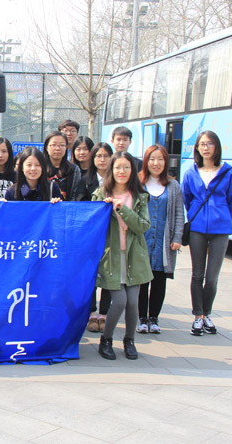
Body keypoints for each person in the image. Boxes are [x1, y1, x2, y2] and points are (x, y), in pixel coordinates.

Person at [92, 151, 152, 360]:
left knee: (133, 302)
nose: (122, 171)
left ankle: (129, 340)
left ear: (133, 170)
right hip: (111, 258)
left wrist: (123, 209)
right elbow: (92, 224)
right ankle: (106, 339)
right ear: (112, 169)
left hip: (134, 257)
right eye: (118, 167)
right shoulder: (101, 193)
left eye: (127, 167)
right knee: (119, 301)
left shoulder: (139, 196)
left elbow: (143, 225)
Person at [182, 130, 232, 336]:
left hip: (220, 230)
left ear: (217, 147)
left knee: (212, 276)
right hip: (197, 229)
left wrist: (221, 217)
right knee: (197, 274)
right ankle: (198, 316)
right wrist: (196, 217)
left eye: (209, 144)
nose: (205, 148)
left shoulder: (228, 173)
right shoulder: (191, 173)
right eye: (202, 144)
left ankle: (207, 313)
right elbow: (187, 199)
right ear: (197, 148)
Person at [136, 145, 184, 334]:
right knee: (141, 280)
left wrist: (177, 237)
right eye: (152, 159)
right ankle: (141, 318)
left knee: (159, 280)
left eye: (160, 159)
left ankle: (154, 318)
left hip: (164, 241)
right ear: (146, 161)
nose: (156, 163)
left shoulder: (173, 186)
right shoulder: (138, 182)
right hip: (142, 239)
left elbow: (179, 213)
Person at [85, 142, 113, 333]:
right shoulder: (85, 179)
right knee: (91, 273)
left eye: (105, 156)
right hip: (89, 235)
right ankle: (91, 312)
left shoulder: (116, 180)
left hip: (111, 234)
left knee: (109, 272)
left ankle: (104, 313)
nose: (102, 159)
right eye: (98, 156)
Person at [43, 131, 85, 201]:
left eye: (62, 145)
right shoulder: (40, 168)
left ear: (66, 147)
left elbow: (75, 195)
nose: (57, 148)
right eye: (54, 145)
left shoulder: (74, 169)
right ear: (46, 147)